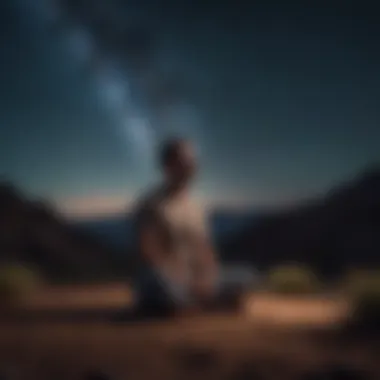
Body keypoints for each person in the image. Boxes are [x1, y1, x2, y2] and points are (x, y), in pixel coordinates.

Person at [132, 138, 220, 317]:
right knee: (160, 285)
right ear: (168, 166)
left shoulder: (197, 207)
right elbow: (147, 251)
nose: (191, 167)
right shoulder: (151, 203)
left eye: (192, 162)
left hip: (192, 278)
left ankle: (189, 302)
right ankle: (182, 302)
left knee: (244, 277)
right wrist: (180, 276)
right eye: (184, 162)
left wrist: (207, 275)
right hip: (167, 277)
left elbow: (204, 248)